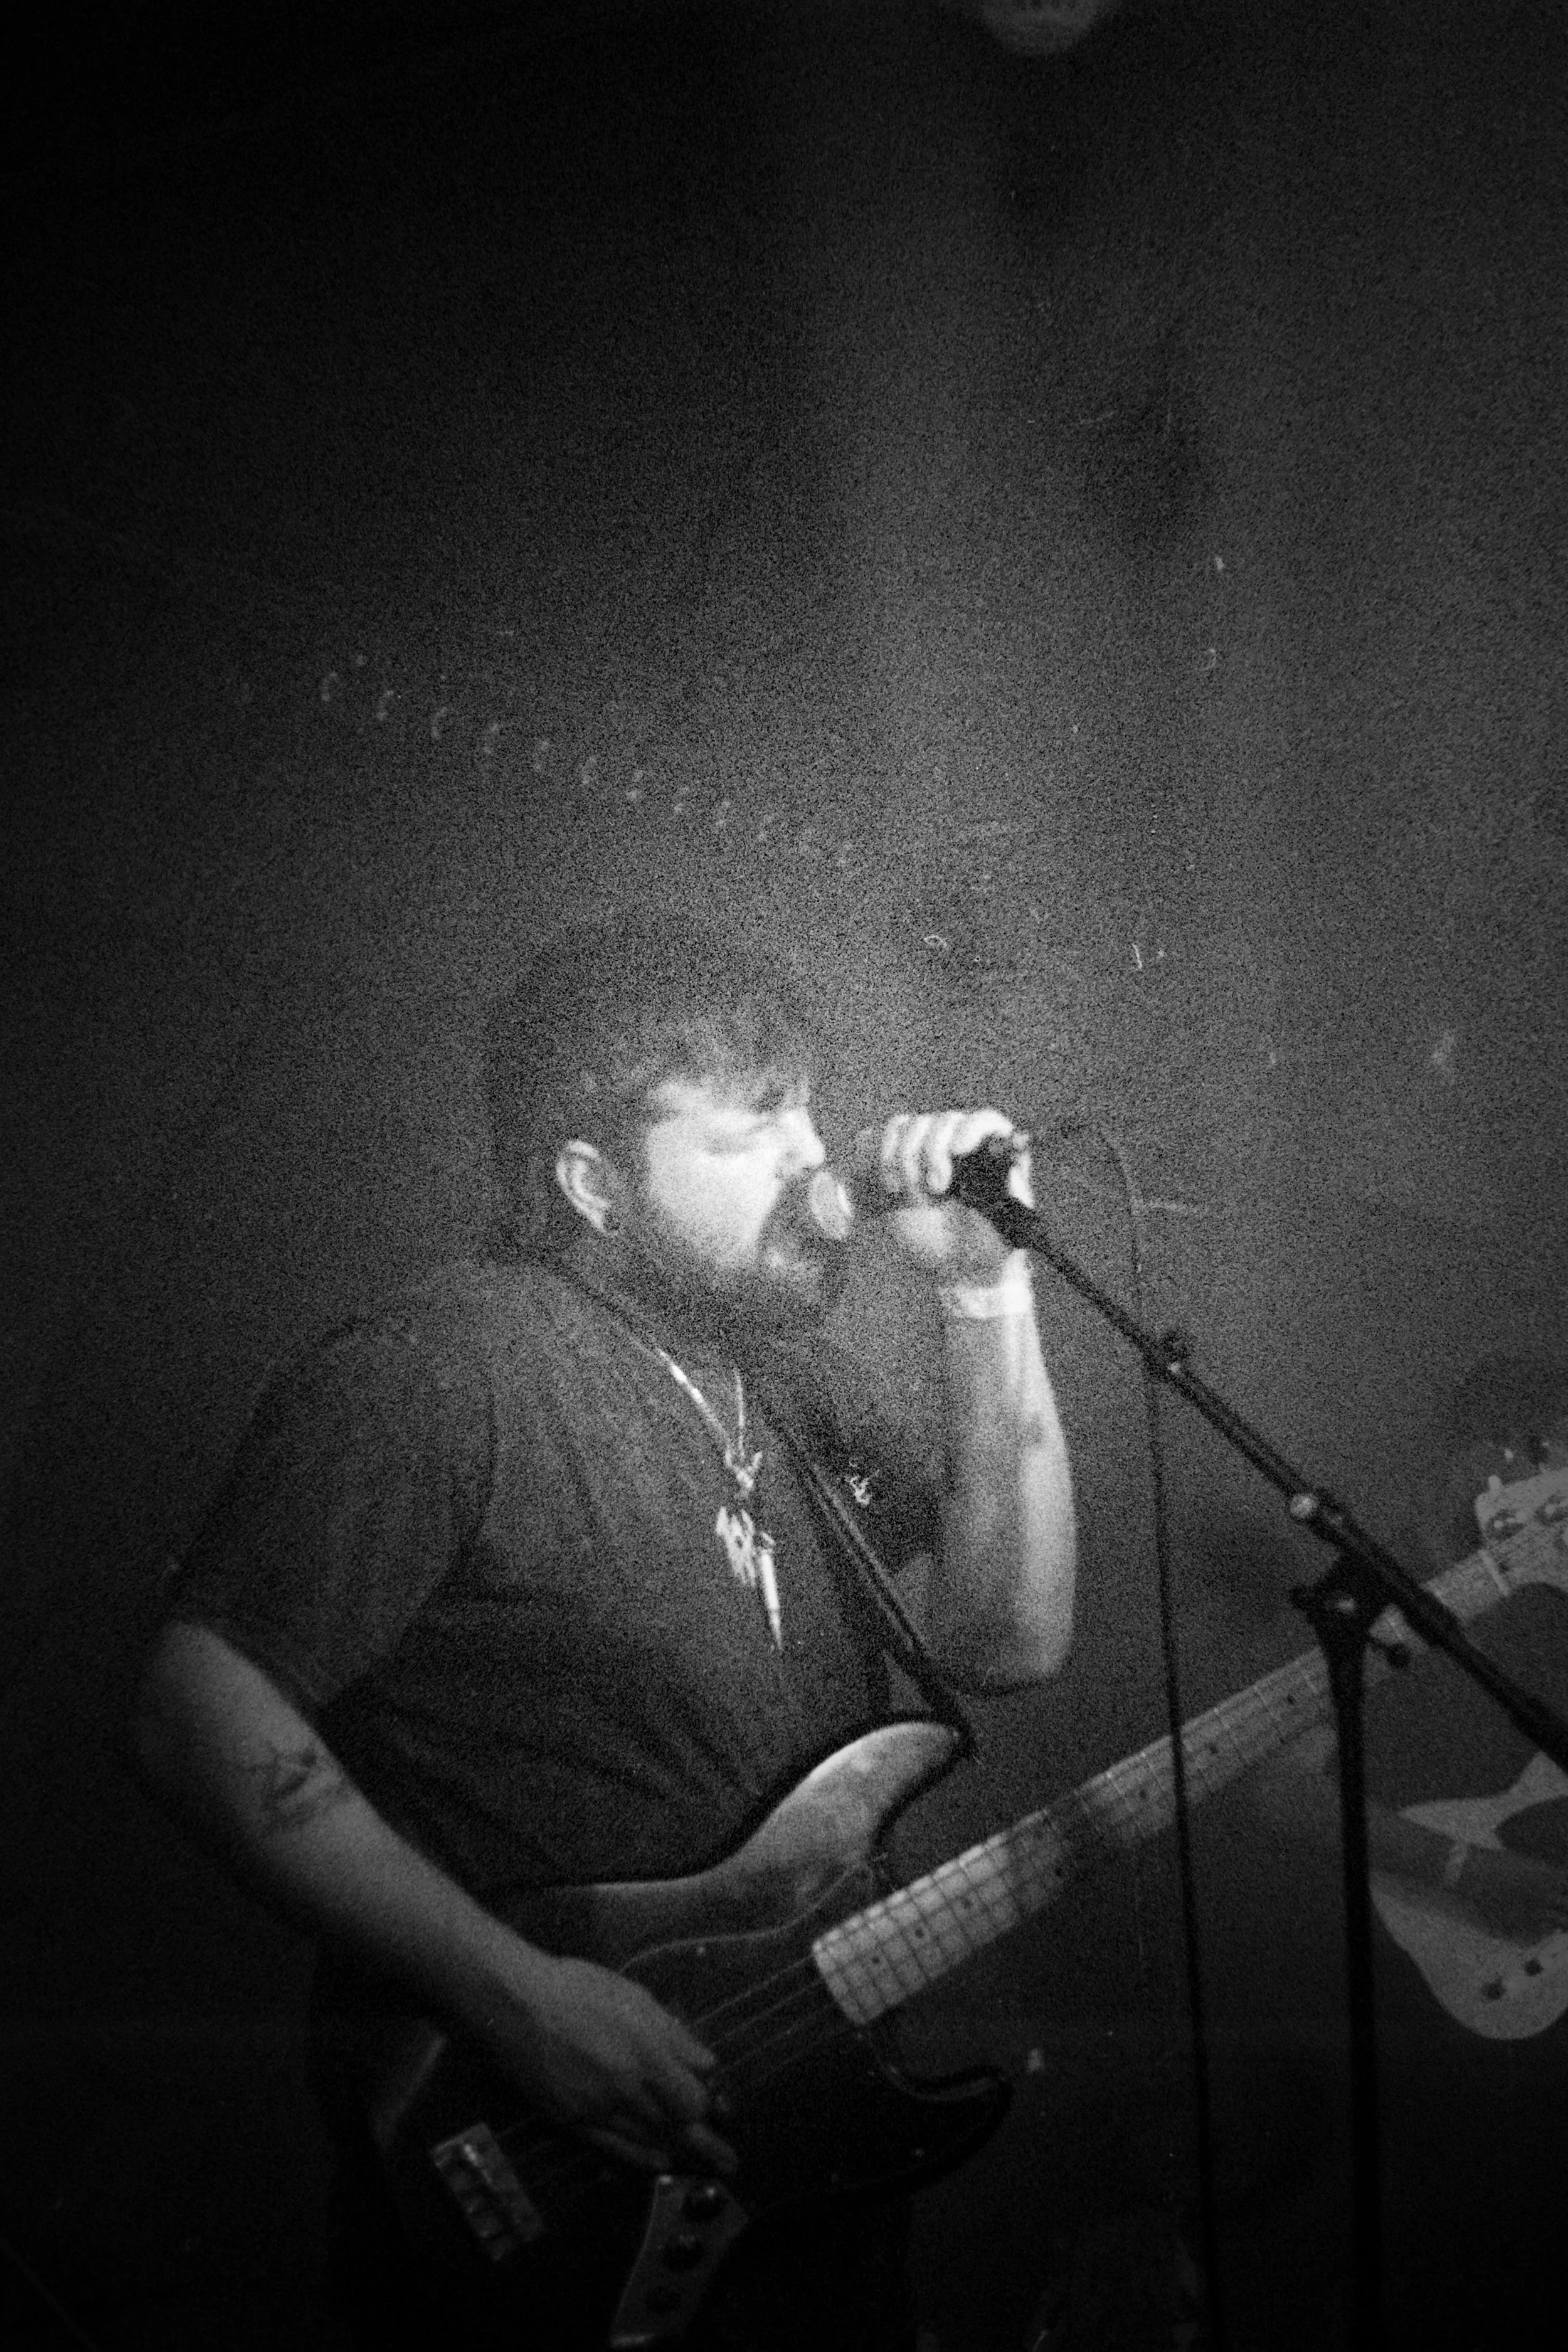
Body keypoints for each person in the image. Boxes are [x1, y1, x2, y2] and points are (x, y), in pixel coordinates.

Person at [131, 912, 1078, 2351]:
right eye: (752, 1125)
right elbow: (198, 1711)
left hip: (779, 2184)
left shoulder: (800, 1392)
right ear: (593, 1183)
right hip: (526, 2179)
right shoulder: (448, 1368)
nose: (815, 1157)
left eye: (809, 1108)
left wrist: (979, 1287)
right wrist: (514, 2002)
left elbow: (1006, 1637)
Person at [1245, 1351, 1568, 2350]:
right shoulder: (1388, 1597)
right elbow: (1278, 1789)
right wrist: (1469, 1871)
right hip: (1414, 2003)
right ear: (1482, 1460)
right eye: (1535, 1448)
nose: (1547, 1470)